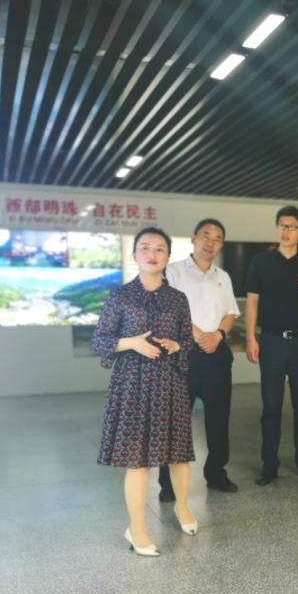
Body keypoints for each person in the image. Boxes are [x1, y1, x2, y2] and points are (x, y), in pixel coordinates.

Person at [92, 228, 196, 557]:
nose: (152, 254)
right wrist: (132, 343)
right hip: (132, 385)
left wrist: (177, 345)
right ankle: (136, 528)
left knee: (178, 455)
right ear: (134, 254)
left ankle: (182, 506)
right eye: (145, 248)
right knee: (137, 461)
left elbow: (188, 342)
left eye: (160, 249)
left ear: (168, 256)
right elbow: (101, 340)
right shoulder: (119, 297)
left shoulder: (178, 299)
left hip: (169, 384)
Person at [245, 206, 298, 485]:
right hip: (271, 342)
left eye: (291, 226)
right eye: (282, 225)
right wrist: (251, 337)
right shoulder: (260, 262)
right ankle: (269, 465)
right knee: (271, 407)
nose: (286, 231)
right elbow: (252, 302)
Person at [157, 219, 239, 501]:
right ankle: (168, 484)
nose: (210, 242)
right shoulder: (174, 271)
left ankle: (216, 473)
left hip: (216, 355)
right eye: (206, 236)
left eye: (217, 238)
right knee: (176, 420)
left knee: (219, 419)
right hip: (183, 355)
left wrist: (218, 335)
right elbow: (168, 310)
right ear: (193, 238)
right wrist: (198, 334)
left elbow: (230, 313)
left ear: (221, 245)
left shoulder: (223, 276)